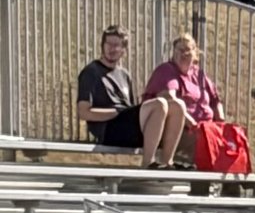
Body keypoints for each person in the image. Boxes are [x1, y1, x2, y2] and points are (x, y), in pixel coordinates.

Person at [76, 24, 187, 167]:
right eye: (108, 44)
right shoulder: (91, 72)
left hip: (130, 126)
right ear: (102, 45)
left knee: (178, 106)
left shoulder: (124, 74)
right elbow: (84, 113)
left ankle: (167, 162)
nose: (112, 49)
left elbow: (131, 108)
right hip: (109, 129)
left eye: (117, 45)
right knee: (160, 104)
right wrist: (116, 113)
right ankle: (148, 163)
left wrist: (125, 112)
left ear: (123, 50)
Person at [144, 34, 225, 138]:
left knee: (232, 145)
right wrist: (193, 125)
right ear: (173, 52)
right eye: (180, 50)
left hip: (206, 130)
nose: (183, 53)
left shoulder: (200, 75)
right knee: (206, 145)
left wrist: (221, 125)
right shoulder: (167, 70)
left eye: (187, 50)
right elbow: (169, 99)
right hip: (180, 130)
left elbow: (216, 101)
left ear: (195, 53)